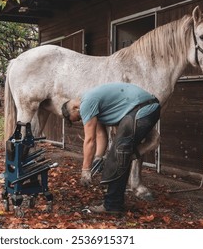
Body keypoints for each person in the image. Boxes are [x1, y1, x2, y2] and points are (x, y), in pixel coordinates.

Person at [61, 82, 160, 213]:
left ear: (74, 108)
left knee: (117, 155)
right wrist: (97, 158)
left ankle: (112, 206)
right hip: (146, 107)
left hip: (141, 110)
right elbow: (101, 135)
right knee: (122, 154)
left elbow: (90, 140)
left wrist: (85, 170)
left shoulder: (86, 104)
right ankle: (141, 149)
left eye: (78, 118)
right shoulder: (92, 101)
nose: (81, 120)